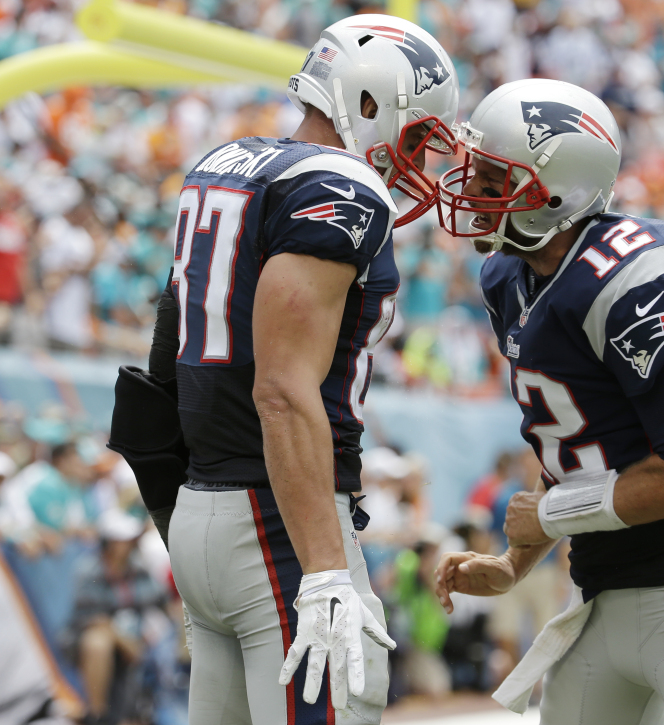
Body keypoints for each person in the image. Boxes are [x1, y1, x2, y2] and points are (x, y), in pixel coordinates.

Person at [434, 79, 664, 725]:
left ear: (555, 191)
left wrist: (549, 516)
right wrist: (515, 562)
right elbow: (571, 444)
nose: (472, 192)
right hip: (598, 589)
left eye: (492, 178)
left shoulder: (634, 277)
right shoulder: (508, 277)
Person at [150, 15, 458, 725]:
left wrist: (181, 519)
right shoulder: (339, 187)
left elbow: (163, 365)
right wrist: (323, 567)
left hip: (204, 509)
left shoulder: (226, 163)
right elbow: (282, 391)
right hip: (277, 524)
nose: (414, 159)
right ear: (371, 105)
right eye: (416, 136)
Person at [68, 509, 164, 725]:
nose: (128, 544)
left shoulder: (139, 566)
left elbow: (160, 600)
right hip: (97, 637)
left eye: (130, 539)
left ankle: (147, 712)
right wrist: (125, 642)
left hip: (137, 632)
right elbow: (91, 617)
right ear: (108, 542)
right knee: (97, 642)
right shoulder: (88, 569)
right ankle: (97, 716)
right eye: (122, 539)